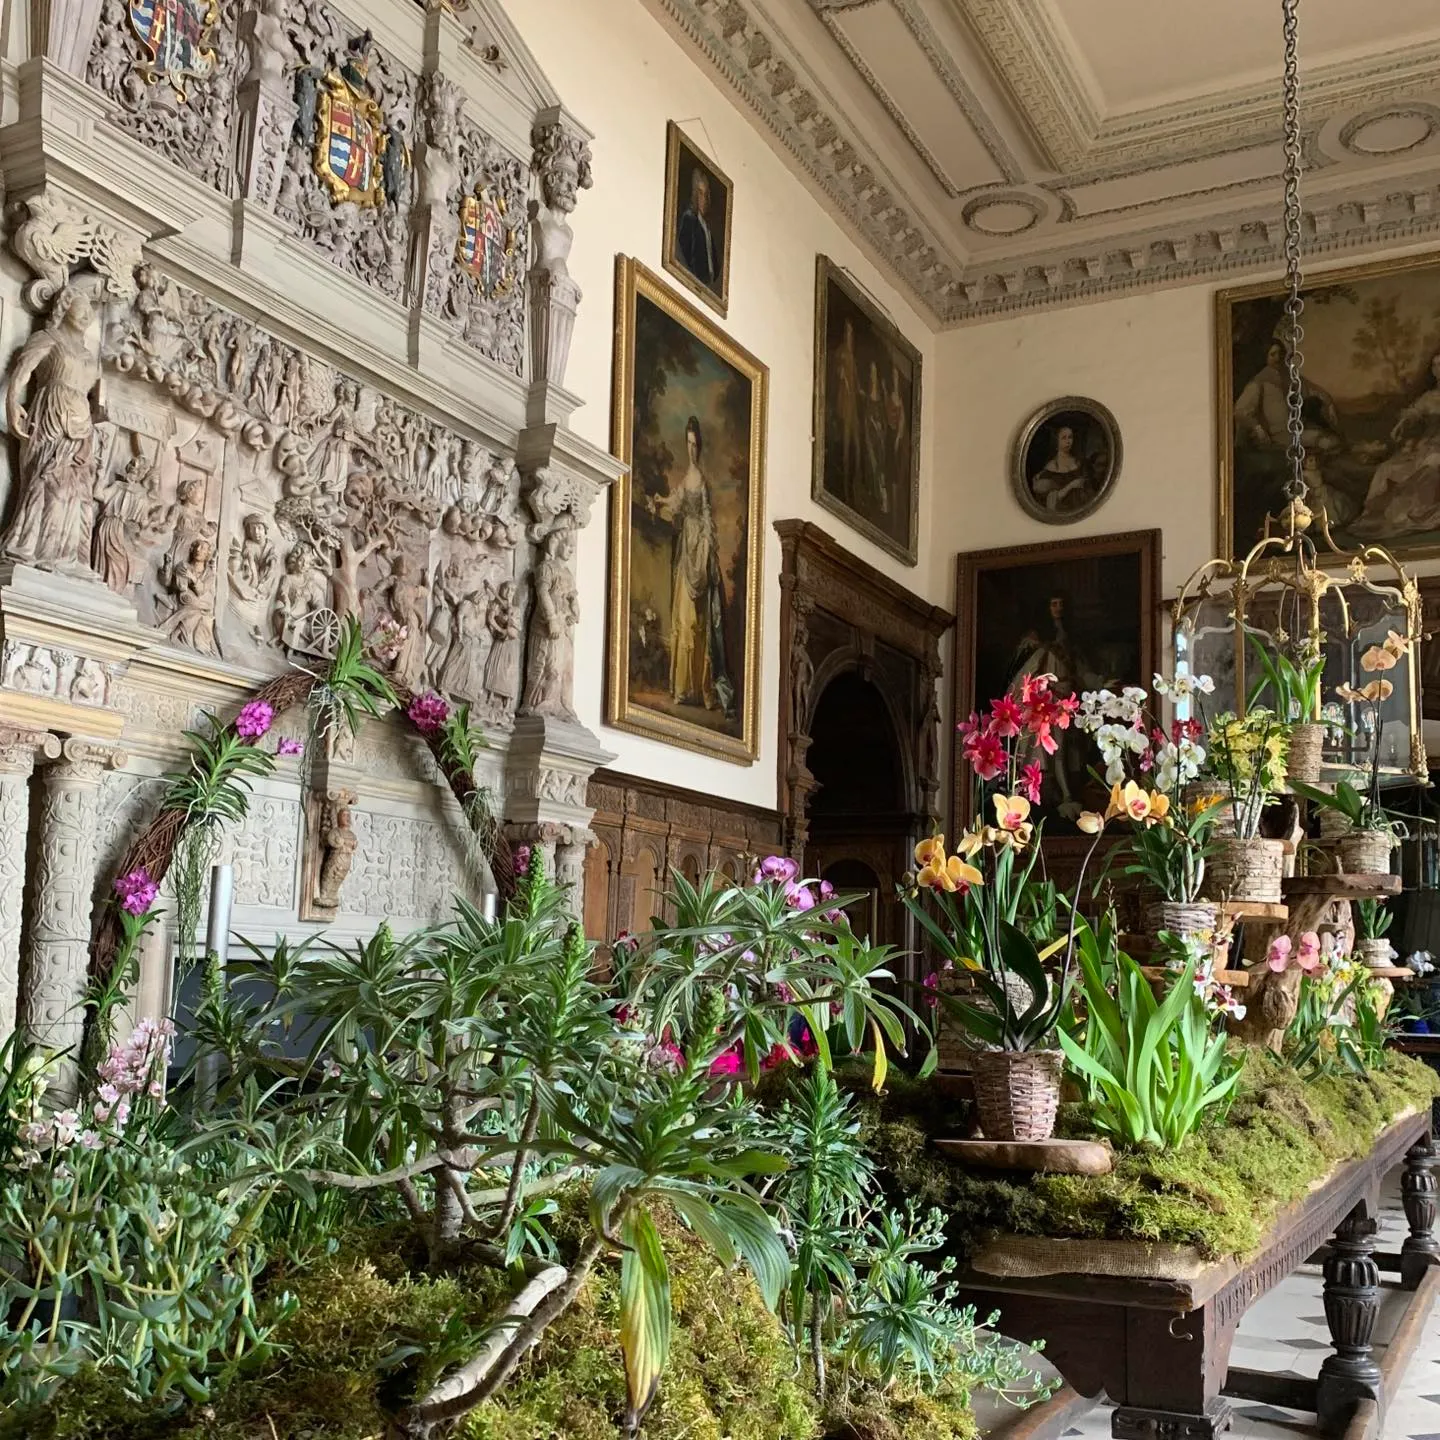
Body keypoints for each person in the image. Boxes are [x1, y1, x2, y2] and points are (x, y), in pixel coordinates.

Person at [648, 415, 733, 716]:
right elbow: (676, 502)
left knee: (700, 624)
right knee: (684, 618)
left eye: (695, 444)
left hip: (700, 546)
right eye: (688, 444)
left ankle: (702, 688)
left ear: (700, 446)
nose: (691, 449)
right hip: (687, 547)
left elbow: (707, 514)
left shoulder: (703, 482)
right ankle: (682, 688)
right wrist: (660, 501)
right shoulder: (686, 479)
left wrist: (708, 546)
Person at [1029, 424, 1094, 515]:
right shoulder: (1049, 470)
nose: (1068, 441)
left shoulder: (1080, 463)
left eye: (1070, 437)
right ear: (1056, 441)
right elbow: (1050, 503)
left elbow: (1091, 492)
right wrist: (1071, 486)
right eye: (1064, 438)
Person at [832, 318, 861, 503]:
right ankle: (844, 486)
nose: (849, 336)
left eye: (852, 333)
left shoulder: (852, 357)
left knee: (856, 444)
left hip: (854, 406)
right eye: (848, 332)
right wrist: (842, 375)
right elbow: (838, 372)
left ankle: (855, 484)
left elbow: (856, 383)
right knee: (846, 443)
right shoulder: (842, 353)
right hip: (844, 403)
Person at [676, 166, 718, 289]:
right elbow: (684, 253)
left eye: (705, 194)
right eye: (700, 193)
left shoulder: (707, 229)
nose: (703, 199)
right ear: (694, 193)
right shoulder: (689, 219)